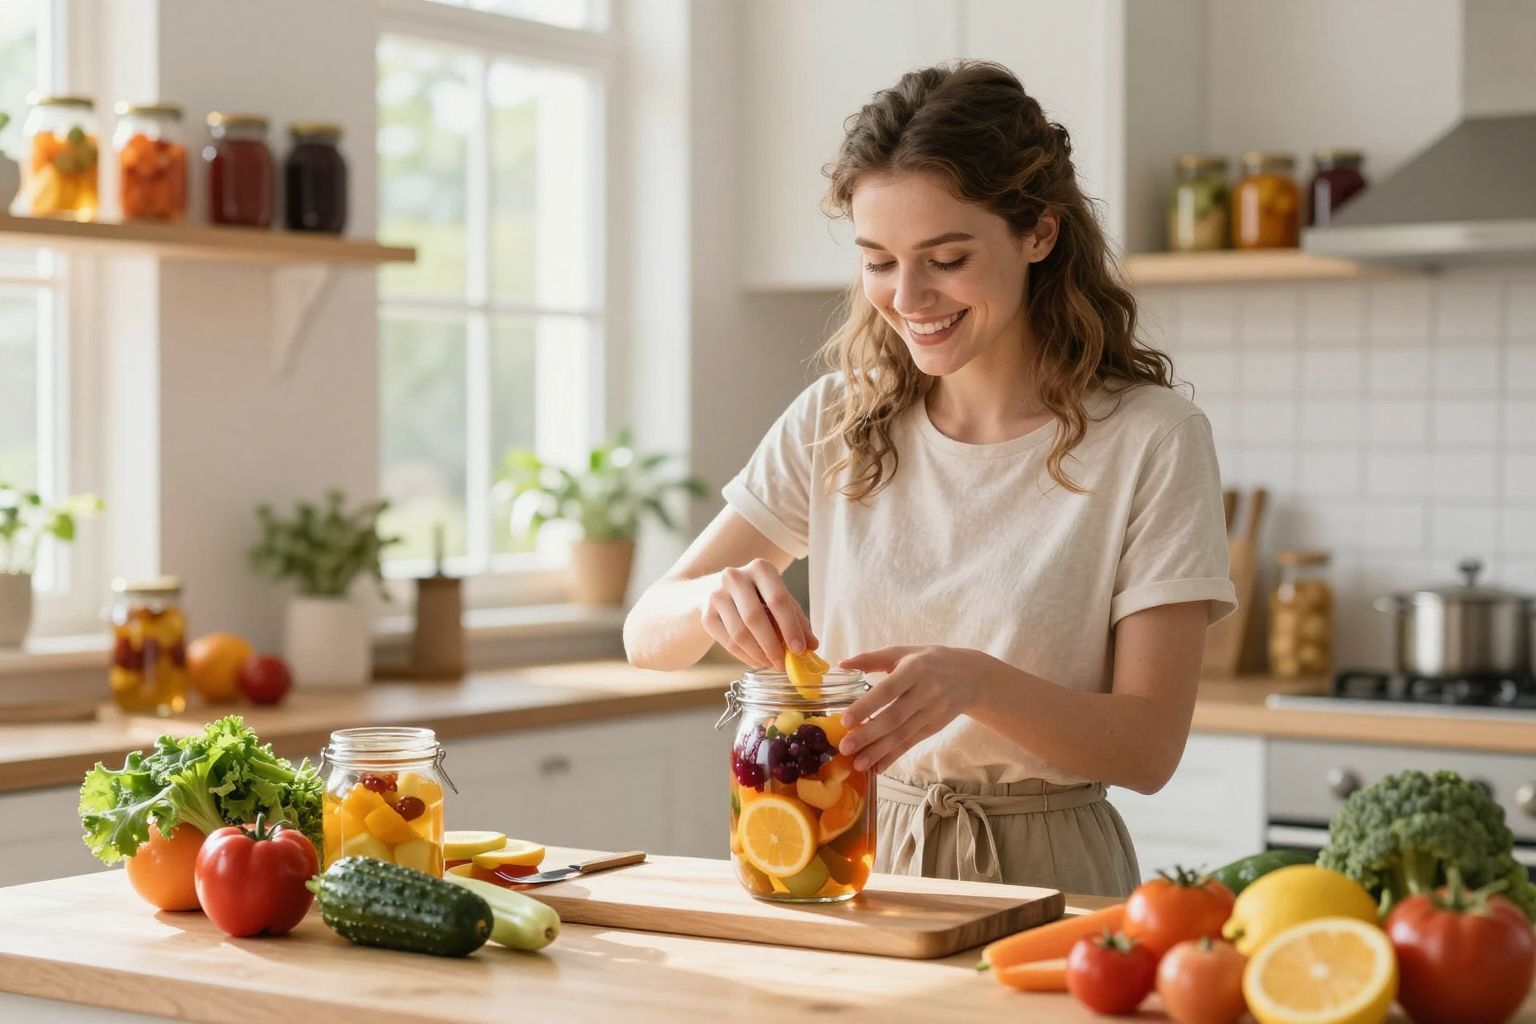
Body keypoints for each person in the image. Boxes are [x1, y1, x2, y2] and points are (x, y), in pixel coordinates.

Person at [623, 61, 1235, 897]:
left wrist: (976, 684)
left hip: (1051, 878)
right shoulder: (837, 420)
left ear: (1039, 235)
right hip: (850, 856)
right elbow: (645, 635)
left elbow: (1148, 749)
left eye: (945, 258)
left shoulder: (1151, 439)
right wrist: (707, 600)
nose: (907, 297)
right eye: (878, 261)